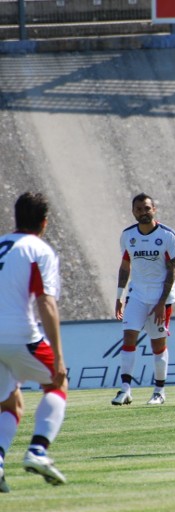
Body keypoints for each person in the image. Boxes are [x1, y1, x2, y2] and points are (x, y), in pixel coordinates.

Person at [0, 192, 68, 491]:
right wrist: (59, 356)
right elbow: (46, 303)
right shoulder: (39, 249)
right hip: (19, 335)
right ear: (44, 222)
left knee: (10, 401)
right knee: (57, 383)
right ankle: (38, 451)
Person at [110, 193, 175, 406]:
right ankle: (125, 389)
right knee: (128, 338)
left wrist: (161, 303)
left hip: (161, 297)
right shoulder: (127, 236)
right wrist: (119, 296)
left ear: (154, 210)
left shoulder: (168, 235)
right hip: (137, 295)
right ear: (133, 212)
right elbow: (125, 266)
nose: (143, 212)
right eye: (139, 209)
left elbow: (172, 271)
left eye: (147, 208)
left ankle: (159, 391)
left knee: (158, 344)